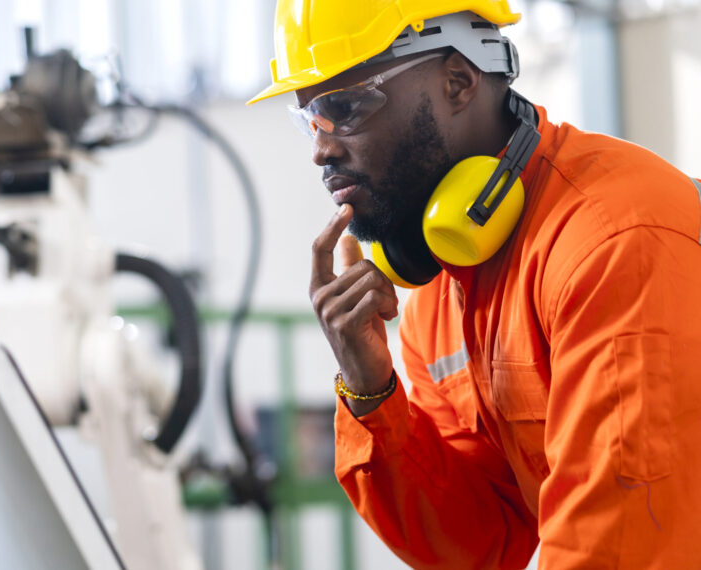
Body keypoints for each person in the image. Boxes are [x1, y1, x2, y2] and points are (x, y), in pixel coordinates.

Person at [249, 1, 701, 568]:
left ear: (458, 82)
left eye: (344, 107)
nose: (322, 148)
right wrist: (373, 393)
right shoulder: (437, 295)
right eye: (309, 119)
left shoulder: (614, 240)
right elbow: (485, 540)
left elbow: (625, 545)